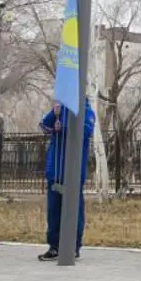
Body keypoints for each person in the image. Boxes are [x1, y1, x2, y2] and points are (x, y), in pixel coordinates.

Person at [36, 98, 96, 261]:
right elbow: (44, 126)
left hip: (73, 172)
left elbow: (84, 132)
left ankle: (73, 246)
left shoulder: (86, 111)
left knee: (74, 211)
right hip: (55, 170)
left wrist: (63, 126)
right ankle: (54, 246)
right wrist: (54, 114)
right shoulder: (60, 109)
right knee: (53, 211)